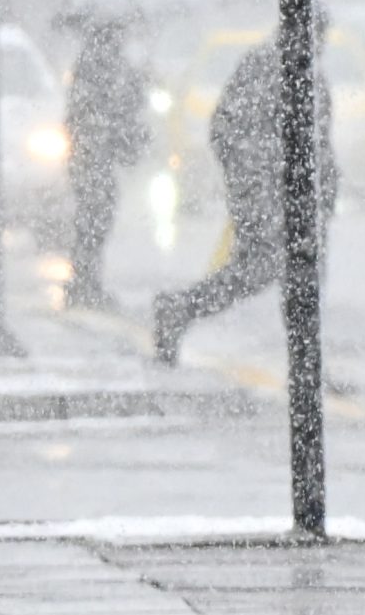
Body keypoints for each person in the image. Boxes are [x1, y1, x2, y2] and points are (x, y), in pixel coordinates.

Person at [153, 23, 335, 365]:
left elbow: (320, 143)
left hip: (301, 198)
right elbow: (227, 129)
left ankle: (307, 363)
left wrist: (325, 191)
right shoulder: (266, 67)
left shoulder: (309, 74)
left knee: (303, 277)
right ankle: (180, 309)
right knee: (261, 268)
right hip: (269, 194)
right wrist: (257, 179)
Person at [61, 20, 150, 311]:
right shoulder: (96, 66)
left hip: (95, 157)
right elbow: (103, 112)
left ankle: (86, 281)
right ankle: (83, 283)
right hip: (91, 158)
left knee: (96, 219)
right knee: (94, 219)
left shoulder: (106, 65)